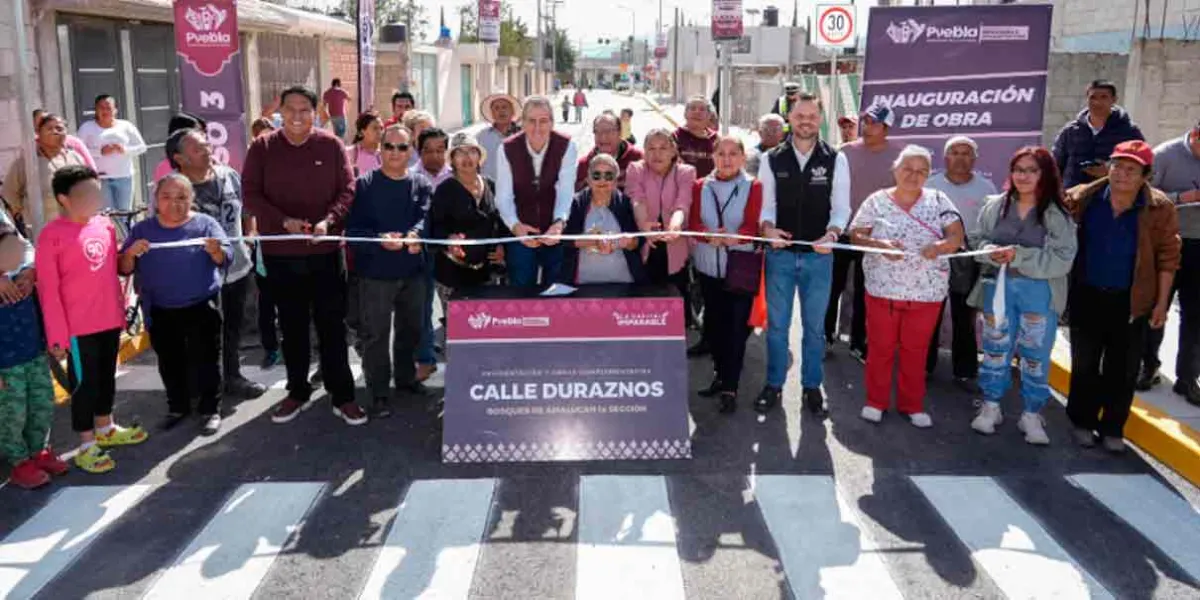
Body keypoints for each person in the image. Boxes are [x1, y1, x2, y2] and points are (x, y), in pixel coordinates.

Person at [242, 85, 367, 426]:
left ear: (316, 113)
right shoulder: (262, 147)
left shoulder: (331, 145)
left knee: (332, 327)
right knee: (293, 328)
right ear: (280, 111)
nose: (297, 117)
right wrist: (283, 221)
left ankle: (343, 396)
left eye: (305, 110)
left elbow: (348, 189)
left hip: (326, 252)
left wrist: (329, 221)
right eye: (290, 110)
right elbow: (250, 195)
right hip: (281, 254)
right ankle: (296, 391)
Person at [1064, 140, 1180, 453]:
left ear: (1145, 175)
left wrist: (1161, 303)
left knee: (1123, 369)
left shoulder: (1159, 207)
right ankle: (1081, 421)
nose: (1122, 174)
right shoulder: (1082, 197)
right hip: (1087, 295)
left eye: (1131, 169)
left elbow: (1169, 257)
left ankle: (1113, 427)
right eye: (1117, 166)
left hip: (1131, 301)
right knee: (1085, 364)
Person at [36, 166, 148, 473]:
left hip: (108, 319)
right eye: (86, 193)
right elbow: (48, 289)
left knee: (105, 379)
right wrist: (57, 335)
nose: (95, 198)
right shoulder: (51, 235)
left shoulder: (105, 226)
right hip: (76, 328)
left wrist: (131, 255)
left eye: (96, 191)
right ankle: (86, 444)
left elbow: (115, 269)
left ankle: (106, 428)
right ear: (64, 199)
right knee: (84, 385)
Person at [849, 145, 965, 428]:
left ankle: (911, 404)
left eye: (921, 171)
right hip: (882, 289)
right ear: (895, 170)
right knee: (880, 348)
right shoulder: (876, 201)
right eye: (907, 169)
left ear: (928, 175)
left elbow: (956, 235)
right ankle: (875, 401)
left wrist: (940, 246)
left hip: (926, 293)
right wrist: (879, 245)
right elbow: (855, 235)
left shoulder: (939, 199)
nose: (913, 176)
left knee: (916, 350)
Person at [968, 147, 1077, 445]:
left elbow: (1063, 258)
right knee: (994, 347)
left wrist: (1018, 256)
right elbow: (977, 240)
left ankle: (1031, 413)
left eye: (1032, 170)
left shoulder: (1057, 213)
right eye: (1019, 169)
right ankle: (991, 406)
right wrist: (990, 251)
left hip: (1038, 292)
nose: (1024, 176)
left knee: (1035, 354)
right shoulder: (995, 205)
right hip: (998, 288)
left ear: (1045, 174)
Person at [757, 92, 851, 417]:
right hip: (779, 258)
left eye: (812, 115)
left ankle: (812, 387)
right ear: (790, 118)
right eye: (800, 115)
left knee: (814, 329)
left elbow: (841, 209)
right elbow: (765, 207)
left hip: (818, 258)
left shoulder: (835, 158)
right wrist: (767, 230)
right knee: (778, 328)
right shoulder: (771, 159)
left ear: (820, 118)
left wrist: (833, 233)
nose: (806, 121)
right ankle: (774, 384)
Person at [119, 174, 230, 434]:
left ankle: (210, 409)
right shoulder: (142, 230)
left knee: (208, 359)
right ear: (156, 201)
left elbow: (225, 257)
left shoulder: (206, 224)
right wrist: (130, 254)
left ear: (192, 200)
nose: (174, 203)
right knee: (170, 361)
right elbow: (123, 267)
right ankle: (177, 407)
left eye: (182, 197)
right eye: (166, 197)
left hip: (202, 305)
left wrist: (216, 251)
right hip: (161, 307)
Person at [168, 128, 266, 399]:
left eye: (207, 145)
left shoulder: (228, 175)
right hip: (198, 275)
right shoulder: (173, 189)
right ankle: (204, 388)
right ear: (180, 158)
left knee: (232, 329)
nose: (208, 151)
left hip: (237, 269)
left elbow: (247, 209)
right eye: (199, 149)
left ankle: (233, 377)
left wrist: (249, 237)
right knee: (201, 334)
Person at [345, 125, 432, 417]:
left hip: (412, 273)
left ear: (411, 152)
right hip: (376, 274)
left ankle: (405, 380)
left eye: (402, 147)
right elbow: (354, 230)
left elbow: (425, 219)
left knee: (411, 330)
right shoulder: (364, 184)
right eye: (390, 146)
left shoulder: (422, 184)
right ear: (379, 148)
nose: (395, 153)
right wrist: (380, 241)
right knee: (376, 336)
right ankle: (379, 392)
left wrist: (415, 235)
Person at [688, 136, 763, 413]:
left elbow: (753, 225)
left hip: (740, 268)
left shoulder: (753, 186)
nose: (727, 159)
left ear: (743, 158)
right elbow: (694, 221)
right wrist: (708, 236)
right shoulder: (700, 186)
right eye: (721, 153)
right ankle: (720, 375)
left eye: (733, 154)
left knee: (736, 330)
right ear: (713, 157)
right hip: (709, 267)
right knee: (716, 328)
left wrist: (731, 238)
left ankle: (731, 387)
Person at [827, 104, 904, 362]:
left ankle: (859, 343)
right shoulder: (845, 152)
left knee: (865, 291)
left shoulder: (900, 155)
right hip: (841, 232)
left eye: (874, 122)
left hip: (874, 236)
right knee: (832, 287)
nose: (867, 126)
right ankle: (824, 337)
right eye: (866, 120)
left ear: (886, 127)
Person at [925, 135, 997, 389]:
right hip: (935, 257)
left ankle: (965, 371)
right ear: (946, 157)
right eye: (955, 152)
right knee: (929, 313)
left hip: (968, 260)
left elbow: (991, 225)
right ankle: (924, 367)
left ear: (975, 159)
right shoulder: (930, 185)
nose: (960, 157)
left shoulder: (987, 188)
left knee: (964, 315)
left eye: (966, 153)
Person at [0, 221, 67, 489]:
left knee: (41, 402)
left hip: (32, 351)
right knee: (12, 413)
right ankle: (18, 462)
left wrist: (28, 271)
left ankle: (39, 450)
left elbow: (25, 248)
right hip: (5, 363)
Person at [1138, 121, 1200, 405]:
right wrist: (1182, 198)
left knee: (1196, 315)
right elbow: (1143, 195)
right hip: (1166, 242)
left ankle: (1188, 378)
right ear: (1195, 135)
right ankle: (1148, 366)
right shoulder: (1165, 154)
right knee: (1155, 307)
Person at [494, 95, 579, 287]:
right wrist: (516, 227)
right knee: (522, 290)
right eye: (531, 121)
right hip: (520, 230)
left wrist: (558, 223)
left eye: (543, 121)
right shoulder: (507, 149)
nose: (538, 128)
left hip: (554, 230)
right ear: (522, 122)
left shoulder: (567, 146)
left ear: (552, 122)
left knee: (556, 290)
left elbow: (566, 190)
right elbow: (504, 196)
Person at [429, 132, 504, 313]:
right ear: (452, 160)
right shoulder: (444, 190)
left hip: (485, 272)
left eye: (472, 151)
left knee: (485, 326)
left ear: (479, 157)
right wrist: (449, 239)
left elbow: (500, 221)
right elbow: (434, 226)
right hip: (452, 274)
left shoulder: (491, 186)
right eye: (460, 153)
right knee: (456, 331)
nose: (467, 157)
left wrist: (502, 246)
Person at [627, 128, 695, 296]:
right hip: (645, 246)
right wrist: (644, 226)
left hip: (676, 246)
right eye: (651, 148)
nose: (657, 154)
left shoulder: (686, 172)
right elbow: (637, 199)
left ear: (673, 151)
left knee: (678, 303)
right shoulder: (636, 169)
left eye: (663, 148)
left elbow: (683, 202)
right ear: (644, 151)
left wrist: (675, 225)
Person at [562, 154, 646, 285]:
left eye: (608, 176)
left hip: (624, 282)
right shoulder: (576, 203)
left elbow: (638, 240)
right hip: (583, 284)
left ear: (615, 182)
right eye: (596, 175)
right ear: (588, 180)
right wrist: (593, 241)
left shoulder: (625, 203)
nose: (602, 180)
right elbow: (565, 240)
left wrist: (628, 242)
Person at [2, 113, 88, 236]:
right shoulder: (27, 162)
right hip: (41, 229)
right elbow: (9, 191)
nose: (55, 132)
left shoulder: (75, 158)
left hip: (74, 226)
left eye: (59, 128)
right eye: (49, 128)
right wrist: (20, 213)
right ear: (39, 133)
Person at [1052, 79, 1145, 189]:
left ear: (1114, 100)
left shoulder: (1129, 132)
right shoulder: (1070, 131)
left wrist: (1110, 171)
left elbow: (1143, 167)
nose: (1097, 102)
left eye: (1104, 97)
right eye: (1093, 97)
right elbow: (1055, 166)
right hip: (1073, 197)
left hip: (1112, 197)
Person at [412, 127, 451, 383]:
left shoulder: (458, 176)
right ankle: (425, 360)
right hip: (422, 254)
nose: (434, 157)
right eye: (428, 151)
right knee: (421, 309)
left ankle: (459, 359)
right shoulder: (411, 179)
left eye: (440, 150)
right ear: (419, 152)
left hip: (452, 256)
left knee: (454, 311)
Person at [77, 94, 147, 211]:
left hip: (124, 177)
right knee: (106, 214)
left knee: (124, 213)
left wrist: (124, 150)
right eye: (101, 107)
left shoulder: (126, 126)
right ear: (95, 110)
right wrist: (99, 152)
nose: (105, 111)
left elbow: (142, 147)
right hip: (100, 178)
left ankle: (125, 230)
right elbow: (78, 151)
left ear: (115, 110)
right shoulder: (86, 128)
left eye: (108, 108)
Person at [574, 112, 644, 192]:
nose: (603, 137)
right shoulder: (585, 164)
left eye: (608, 131)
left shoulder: (637, 158)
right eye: (598, 132)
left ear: (620, 133)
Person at [151, 112, 207, 185]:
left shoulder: (210, 162)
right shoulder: (165, 169)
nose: (203, 136)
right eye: (198, 131)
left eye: (203, 132)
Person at [477, 93, 522, 182]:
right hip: (489, 190)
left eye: (505, 107)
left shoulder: (523, 135)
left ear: (512, 111)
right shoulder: (481, 137)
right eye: (496, 108)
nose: (501, 111)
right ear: (492, 113)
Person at [674, 96, 718, 179]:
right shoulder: (674, 137)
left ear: (709, 116)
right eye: (693, 108)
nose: (697, 112)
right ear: (685, 114)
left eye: (702, 109)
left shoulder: (715, 139)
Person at [346, 112, 383, 177]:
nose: (380, 132)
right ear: (362, 131)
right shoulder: (350, 153)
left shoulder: (385, 155)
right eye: (375, 128)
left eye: (381, 128)